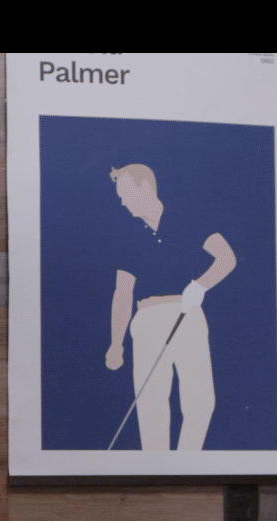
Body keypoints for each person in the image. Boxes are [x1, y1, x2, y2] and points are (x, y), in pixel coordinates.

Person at [102, 163, 236, 452]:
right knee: (150, 404)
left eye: (125, 194)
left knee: (201, 403)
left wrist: (200, 286)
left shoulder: (189, 217)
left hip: (188, 316)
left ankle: (187, 465)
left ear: (145, 188)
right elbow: (123, 293)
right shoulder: (127, 236)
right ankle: (157, 470)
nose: (122, 202)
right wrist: (116, 343)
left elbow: (226, 258)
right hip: (148, 321)